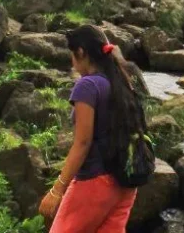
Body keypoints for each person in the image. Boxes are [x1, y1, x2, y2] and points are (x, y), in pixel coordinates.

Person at [38, 24, 145, 232]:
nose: (72, 61)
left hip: (95, 182)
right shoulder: (121, 81)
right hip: (125, 182)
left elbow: (83, 142)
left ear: (80, 52)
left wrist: (57, 190)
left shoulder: (87, 86)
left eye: (72, 55)